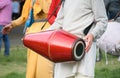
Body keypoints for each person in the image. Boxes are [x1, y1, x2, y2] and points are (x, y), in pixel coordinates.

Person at [47, 0, 108, 78]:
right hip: (64, 48)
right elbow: (59, 23)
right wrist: (42, 35)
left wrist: (93, 35)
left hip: (84, 49)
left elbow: (102, 21)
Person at [2, 0, 54, 78]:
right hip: (32, 35)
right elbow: (24, 17)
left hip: (47, 32)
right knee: (32, 66)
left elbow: (48, 9)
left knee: (44, 67)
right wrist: (12, 24)